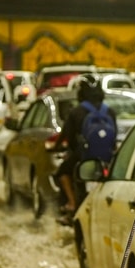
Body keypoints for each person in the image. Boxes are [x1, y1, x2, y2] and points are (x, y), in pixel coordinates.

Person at [54, 75, 106, 221]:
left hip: (83, 157)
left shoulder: (76, 112)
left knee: (62, 172)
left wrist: (57, 147)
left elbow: (67, 137)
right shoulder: (109, 111)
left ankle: (71, 203)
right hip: (106, 158)